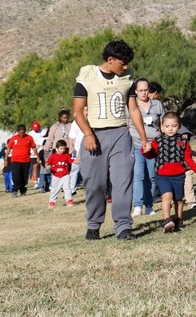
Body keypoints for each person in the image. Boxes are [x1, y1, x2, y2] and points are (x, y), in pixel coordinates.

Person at [71, 39, 152, 241]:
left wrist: (143, 137)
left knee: (123, 182)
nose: (125, 67)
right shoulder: (87, 75)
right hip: (94, 135)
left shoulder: (127, 78)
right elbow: (77, 111)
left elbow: (133, 109)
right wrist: (88, 134)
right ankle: (93, 224)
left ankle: (123, 227)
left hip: (120, 135)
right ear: (110, 60)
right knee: (95, 184)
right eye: (122, 63)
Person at [144, 112, 196, 232]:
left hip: (179, 175)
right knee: (167, 196)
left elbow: (188, 159)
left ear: (179, 126)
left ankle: (178, 219)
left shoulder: (183, 142)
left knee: (178, 199)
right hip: (162, 175)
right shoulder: (157, 140)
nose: (170, 129)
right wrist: (146, 150)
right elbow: (151, 155)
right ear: (161, 126)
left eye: (174, 126)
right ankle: (166, 219)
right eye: (167, 126)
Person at [128, 78, 163, 217]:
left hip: (154, 145)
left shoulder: (157, 104)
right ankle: (137, 205)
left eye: (145, 90)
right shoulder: (131, 105)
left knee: (153, 176)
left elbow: (162, 124)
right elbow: (126, 124)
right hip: (137, 144)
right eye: (140, 90)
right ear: (136, 91)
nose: (143, 93)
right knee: (138, 175)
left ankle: (149, 204)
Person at [6, 125, 36, 197]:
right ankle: (15, 190)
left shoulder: (29, 138)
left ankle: (23, 190)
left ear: (25, 131)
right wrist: (5, 159)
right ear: (17, 132)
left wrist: (37, 157)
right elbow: (9, 149)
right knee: (16, 176)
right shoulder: (13, 138)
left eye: (23, 133)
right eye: (20, 133)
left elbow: (34, 148)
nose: (21, 135)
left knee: (24, 177)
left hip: (26, 160)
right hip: (15, 160)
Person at [45, 139, 75, 208]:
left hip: (65, 175)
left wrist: (77, 160)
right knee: (55, 189)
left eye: (64, 148)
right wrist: (48, 166)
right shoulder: (53, 156)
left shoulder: (66, 155)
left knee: (67, 188)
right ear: (57, 148)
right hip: (56, 175)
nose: (62, 150)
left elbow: (71, 161)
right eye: (61, 148)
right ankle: (52, 201)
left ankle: (69, 200)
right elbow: (48, 163)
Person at [30, 121, 49, 191]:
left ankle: (45, 182)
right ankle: (36, 182)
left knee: (44, 167)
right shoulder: (30, 134)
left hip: (42, 151)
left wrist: (40, 145)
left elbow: (45, 140)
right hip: (33, 153)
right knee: (35, 167)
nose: (36, 130)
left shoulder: (43, 132)